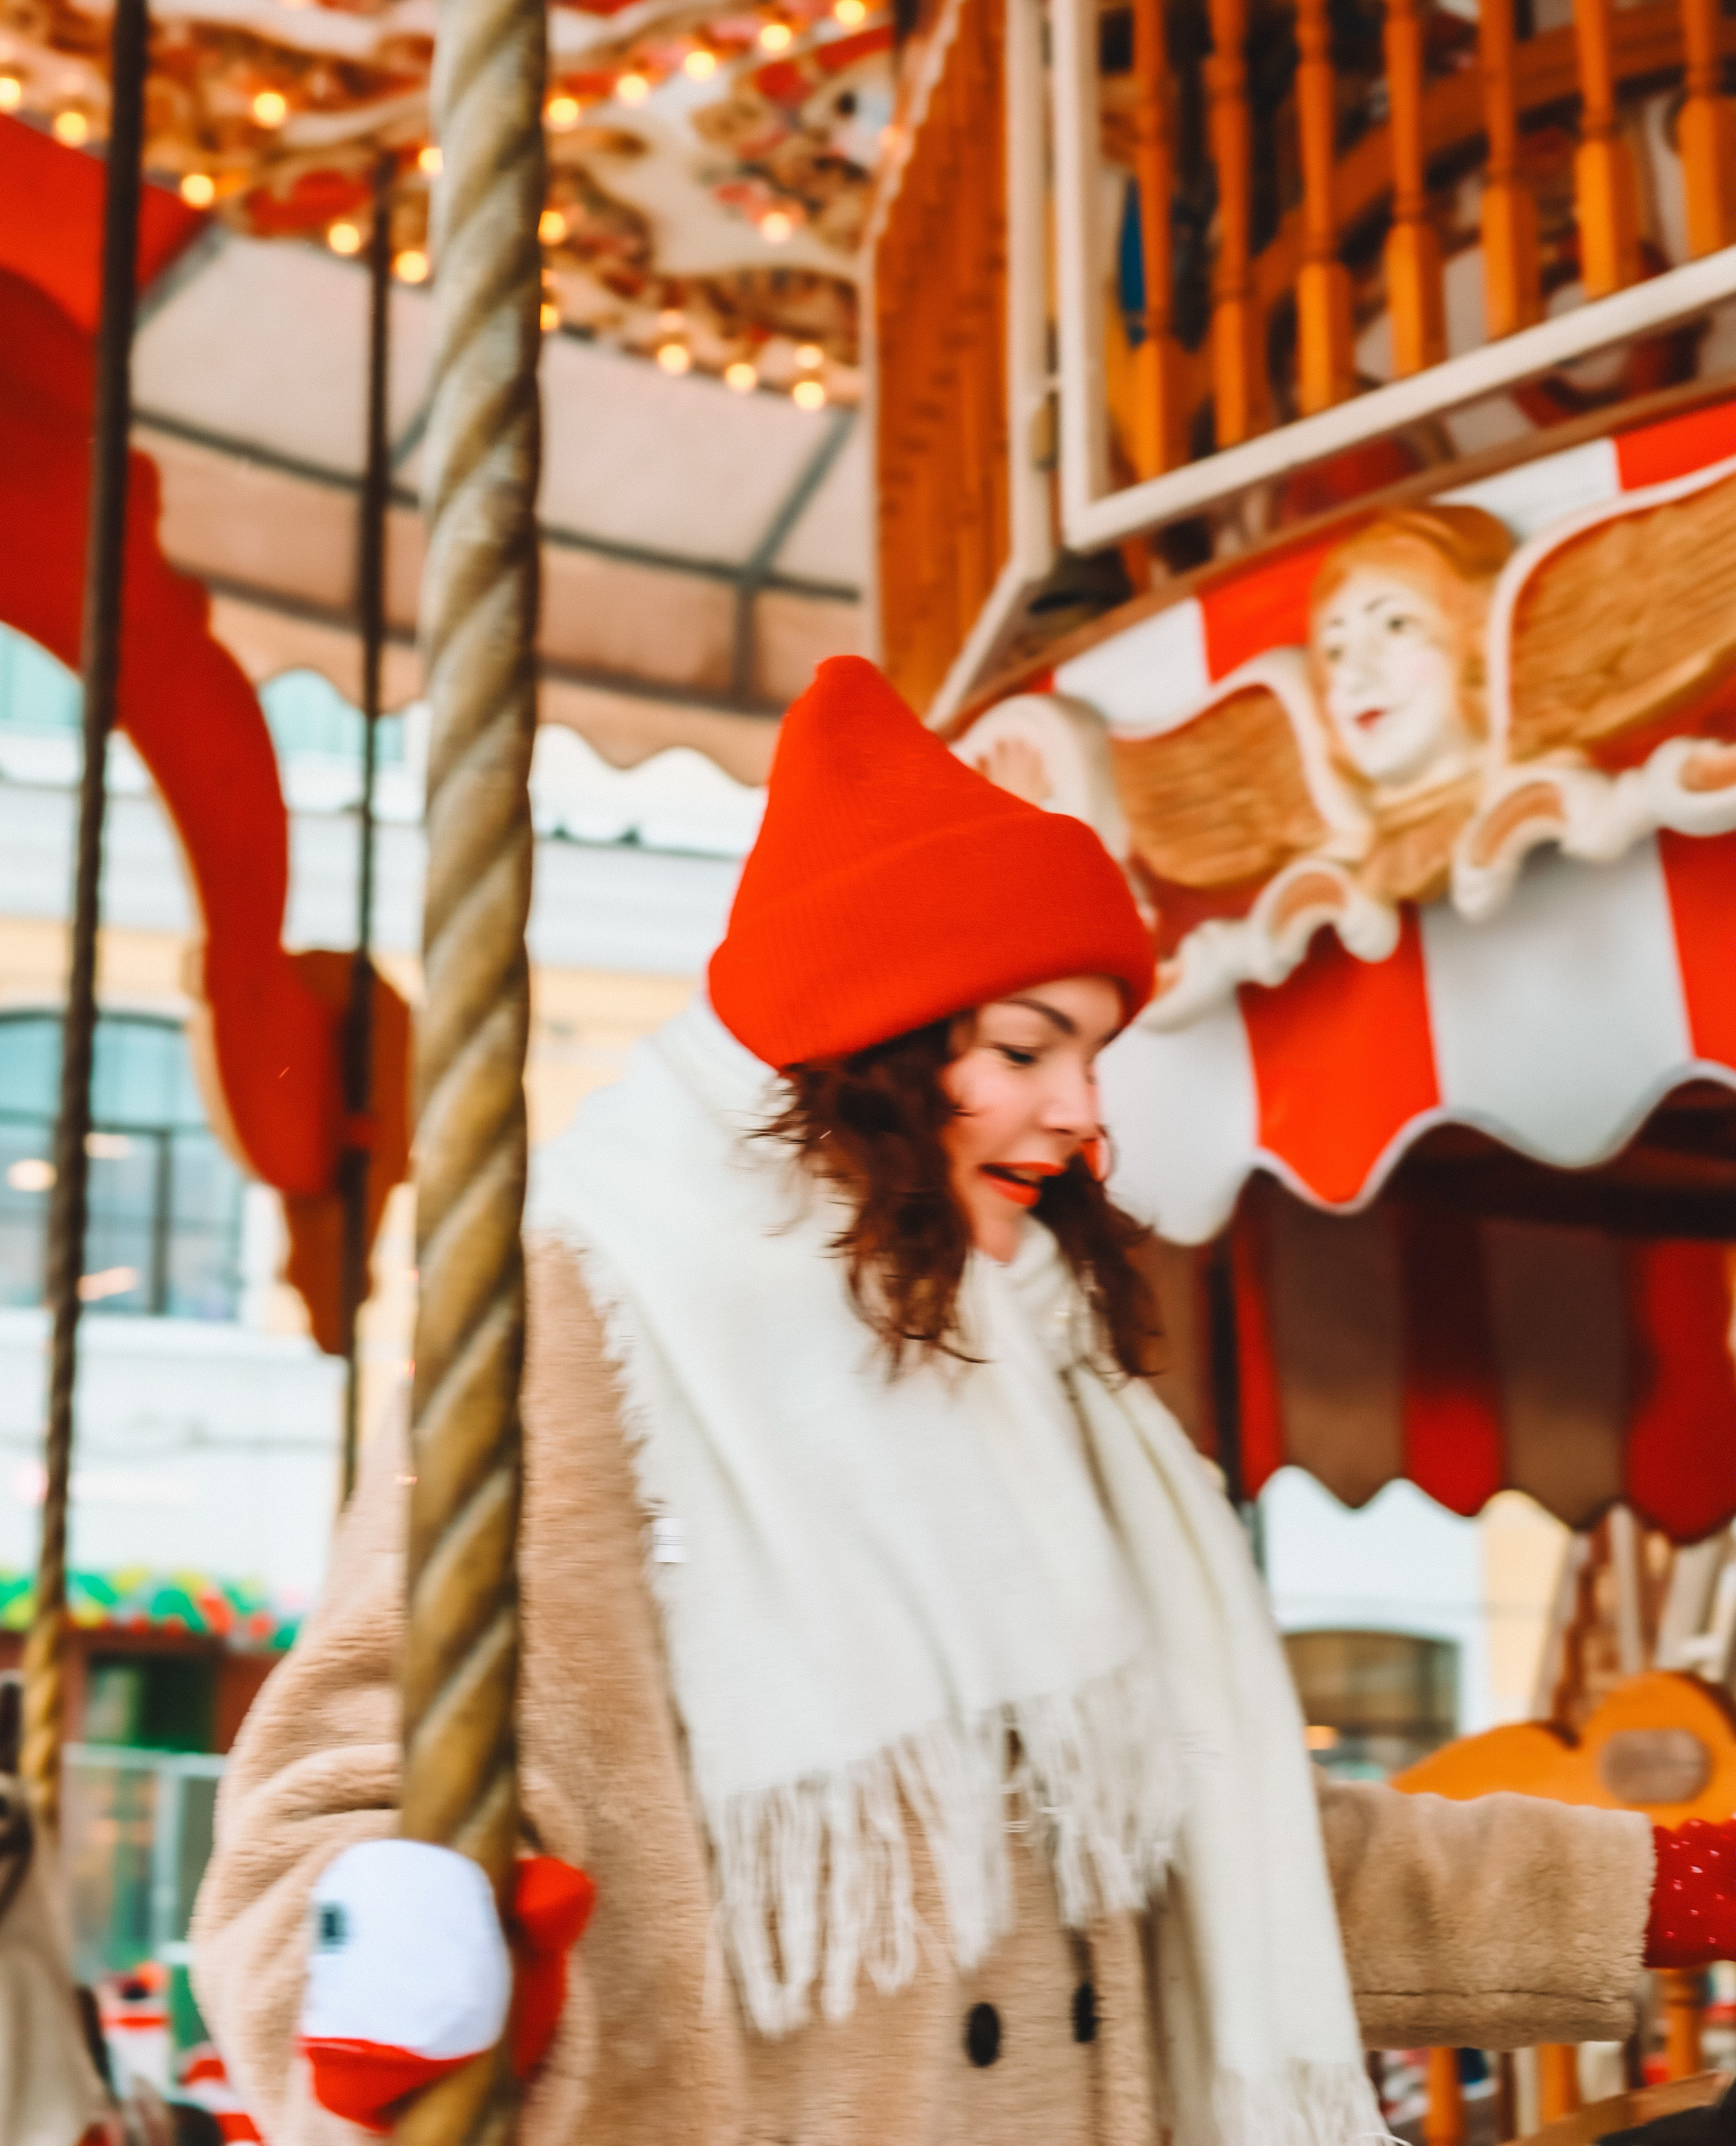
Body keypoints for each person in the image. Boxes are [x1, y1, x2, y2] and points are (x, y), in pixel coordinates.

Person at [190, 660, 1736, 2146]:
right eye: (1021, 1048)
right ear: (868, 1048)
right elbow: (322, 1800)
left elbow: (1234, 1860)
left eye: (1089, 1051)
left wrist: (1676, 1886)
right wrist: (386, 1967)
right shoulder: (592, 1328)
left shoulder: (1045, 1386)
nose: (1078, 1107)